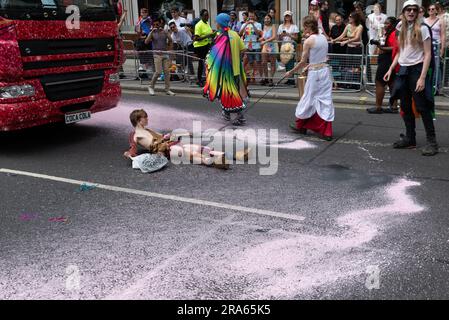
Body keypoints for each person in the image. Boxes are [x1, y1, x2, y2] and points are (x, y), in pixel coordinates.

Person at [384, 0, 439, 156]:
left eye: (414, 10)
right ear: (403, 12)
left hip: (417, 70)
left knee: (423, 106)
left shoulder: (423, 29)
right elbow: (401, 51)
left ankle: (432, 142)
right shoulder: (400, 27)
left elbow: (428, 54)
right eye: (408, 10)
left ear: (418, 12)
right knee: (405, 106)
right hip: (403, 71)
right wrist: (391, 68)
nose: (411, 12)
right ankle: (410, 138)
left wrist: (422, 77)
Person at [123, 109, 229, 169]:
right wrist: (129, 153)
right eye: (145, 117)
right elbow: (133, 148)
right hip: (167, 149)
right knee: (190, 153)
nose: (147, 119)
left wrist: (183, 133)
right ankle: (215, 162)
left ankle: (221, 155)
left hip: (172, 143)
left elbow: (164, 136)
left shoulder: (149, 130)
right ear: (138, 120)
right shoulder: (135, 134)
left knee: (199, 148)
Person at [286, 16, 334, 141]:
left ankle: (301, 126)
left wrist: (290, 72)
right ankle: (326, 131)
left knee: (308, 98)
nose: (303, 29)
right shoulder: (323, 37)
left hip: (315, 74)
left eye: (304, 26)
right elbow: (323, 57)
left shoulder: (308, 41)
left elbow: (302, 62)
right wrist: (309, 65)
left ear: (307, 27)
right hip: (325, 71)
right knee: (325, 100)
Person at [203, 13, 249, 126]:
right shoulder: (235, 34)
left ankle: (240, 117)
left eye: (216, 21)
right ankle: (226, 113)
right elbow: (243, 50)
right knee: (228, 93)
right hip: (236, 70)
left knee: (230, 93)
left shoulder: (220, 37)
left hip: (224, 72)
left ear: (220, 23)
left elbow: (214, 54)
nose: (215, 23)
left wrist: (208, 61)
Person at [367, 17, 400, 114]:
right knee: (391, 83)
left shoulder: (394, 33)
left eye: (387, 23)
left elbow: (395, 47)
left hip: (387, 60)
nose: (385, 25)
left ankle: (378, 107)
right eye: (385, 23)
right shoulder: (389, 33)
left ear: (393, 24)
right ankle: (394, 107)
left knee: (379, 82)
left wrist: (382, 48)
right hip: (389, 60)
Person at [145, 18, 176, 96]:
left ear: (160, 24)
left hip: (165, 53)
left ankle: (167, 89)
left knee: (167, 72)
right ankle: (151, 87)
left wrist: (166, 32)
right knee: (158, 72)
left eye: (157, 24)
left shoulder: (164, 32)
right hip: (156, 54)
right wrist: (151, 32)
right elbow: (146, 42)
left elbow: (171, 40)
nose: (156, 26)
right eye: (154, 25)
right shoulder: (152, 33)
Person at [424, 3, 446, 94]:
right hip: (426, 44)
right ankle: (427, 85)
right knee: (427, 65)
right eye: (429, 9)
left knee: (437, 67)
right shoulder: (424, 20)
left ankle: (438, 87)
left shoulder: (441, 21)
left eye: (433, 9)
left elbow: (443, 35)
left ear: (436, 10)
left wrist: (442, 48)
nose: (431, 11)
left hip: (436, 45)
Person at [239, 10, 263, 84]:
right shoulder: (244, 24)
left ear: (255, 17)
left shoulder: (258, 24)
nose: (251, 17)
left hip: (256, 46)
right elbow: (240, 33)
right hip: (247, 46)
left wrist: (253, 25)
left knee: (258, 61)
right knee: (251, 62)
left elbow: (258, 34)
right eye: (250, 16)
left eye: (252, 16)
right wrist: (246, 24)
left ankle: (261, 78)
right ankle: (252, 77)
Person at [193, 9, 215, 87]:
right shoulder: (198, 25)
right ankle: (199, 80)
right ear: (201, 16)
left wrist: (213, 33)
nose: (207, 17)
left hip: (207, 45)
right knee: (201, 63)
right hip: (200, 46)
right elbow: (195, 38)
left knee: (207, 62)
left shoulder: (207, 23)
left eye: (208, 15)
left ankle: (205, 78)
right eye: (205, 15)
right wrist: (208, 36)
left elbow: (208, 33)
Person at [278, 10, 299, 86]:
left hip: (291, 45)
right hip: (283, 45)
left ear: (291, 17)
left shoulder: (294, 26)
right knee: (285, 61)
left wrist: (288, 35)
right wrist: (282, 35)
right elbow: (279, 37)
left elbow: (296, 37)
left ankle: (292, 79)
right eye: (286, 16)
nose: (287, 17)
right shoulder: (281, 26)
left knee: (291, 62)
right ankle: (288, 78)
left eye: (288, 16)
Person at [135, 7, 153, 75]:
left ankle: (150, 71)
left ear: (147, 13)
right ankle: (143, 71)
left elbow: (151, 29)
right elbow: (137, 31)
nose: (143, 13)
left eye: (145, 12)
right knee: (142, 55)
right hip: (142, 41)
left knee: (149, 55)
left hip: (149, 41)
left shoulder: (150, 20)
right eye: (142, 12)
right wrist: (140, 33)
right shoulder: (139, 21)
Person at [260, 14, 278, 86]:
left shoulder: (273, 26)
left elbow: (274, 36)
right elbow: (263, 36)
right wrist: (261, 39)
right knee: (264, 62)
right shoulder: (264, 26)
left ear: (270, 19)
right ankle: (266, 78)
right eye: (265, 18)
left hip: (272, 45)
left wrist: (265, 41)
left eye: (268, 18)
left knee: (272, 63)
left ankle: (271, 78)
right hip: (265, 45)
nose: (266, 20)